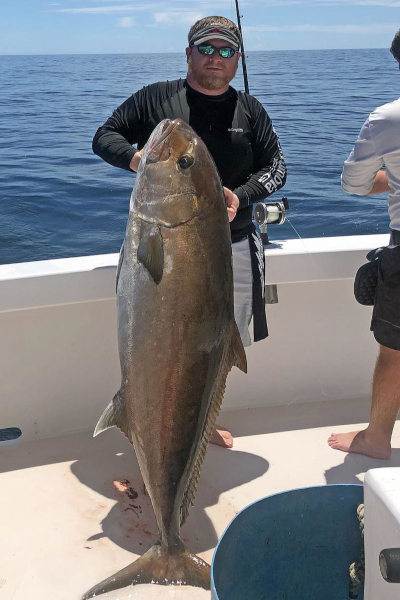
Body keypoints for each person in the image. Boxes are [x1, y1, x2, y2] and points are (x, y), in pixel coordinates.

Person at [92, 15, 287, 448]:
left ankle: (200, 417)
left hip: (231, 248)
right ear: (188, 53)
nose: (214, 58)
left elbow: (277, 168)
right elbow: (104, 137)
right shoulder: (155, 99)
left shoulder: (250, 110)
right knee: (150, 338)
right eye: (205, 48)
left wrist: (243, 193)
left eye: (225, 50)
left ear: (238, 59)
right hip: (160, 245)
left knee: (217, 343)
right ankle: (148, 418)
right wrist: (137, 159)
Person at [328, 29, 400, 459]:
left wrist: (393, 180)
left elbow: (353, 184)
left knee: (394, 350)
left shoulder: (387, 119)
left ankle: (376, 439)